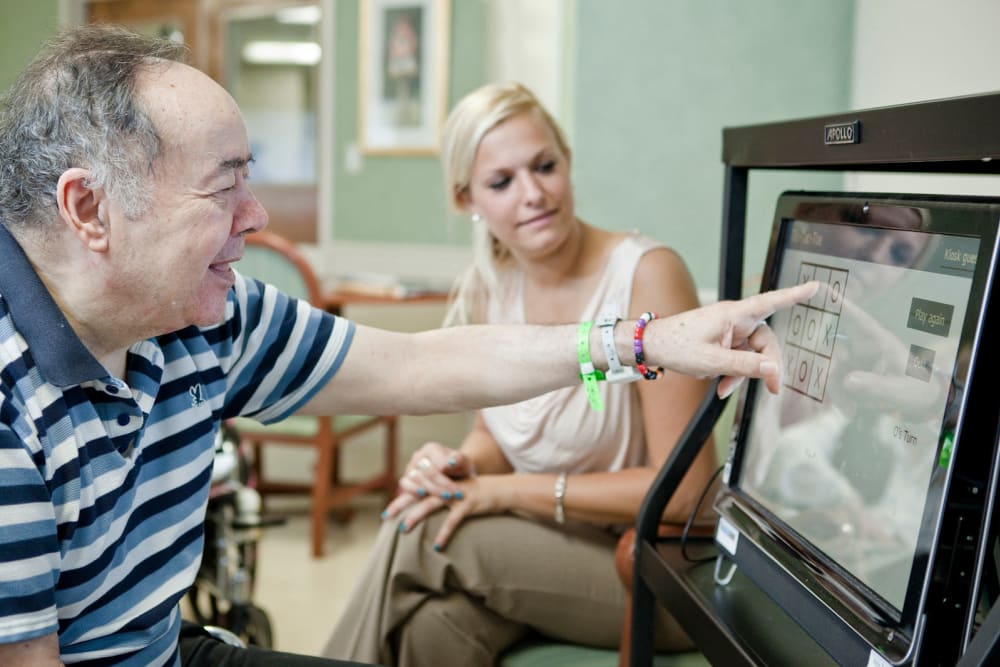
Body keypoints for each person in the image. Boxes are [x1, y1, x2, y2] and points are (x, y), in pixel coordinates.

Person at [0, 24, 815, 667]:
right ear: (89, 209)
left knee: (424, 551)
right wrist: (476, 476)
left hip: (166, 649)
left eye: (544, 166)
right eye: (225, 185)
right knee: (434, 611)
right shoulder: (12, 405)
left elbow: (422, 362)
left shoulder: (208, 318)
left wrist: (648, 338)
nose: (258, 218)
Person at [323, 81, 721, 666]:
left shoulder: (646, 276)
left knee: (423, 534)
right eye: (502, 182)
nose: (533, 194)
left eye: (544, 166)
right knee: (432, 627)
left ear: (567, 162)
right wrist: (458, 466)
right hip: (545, 547)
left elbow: (685, 494)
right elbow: (495, 436)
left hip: (651, 569)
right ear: (467, 200)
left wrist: (500, 493)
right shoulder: (493, 285)